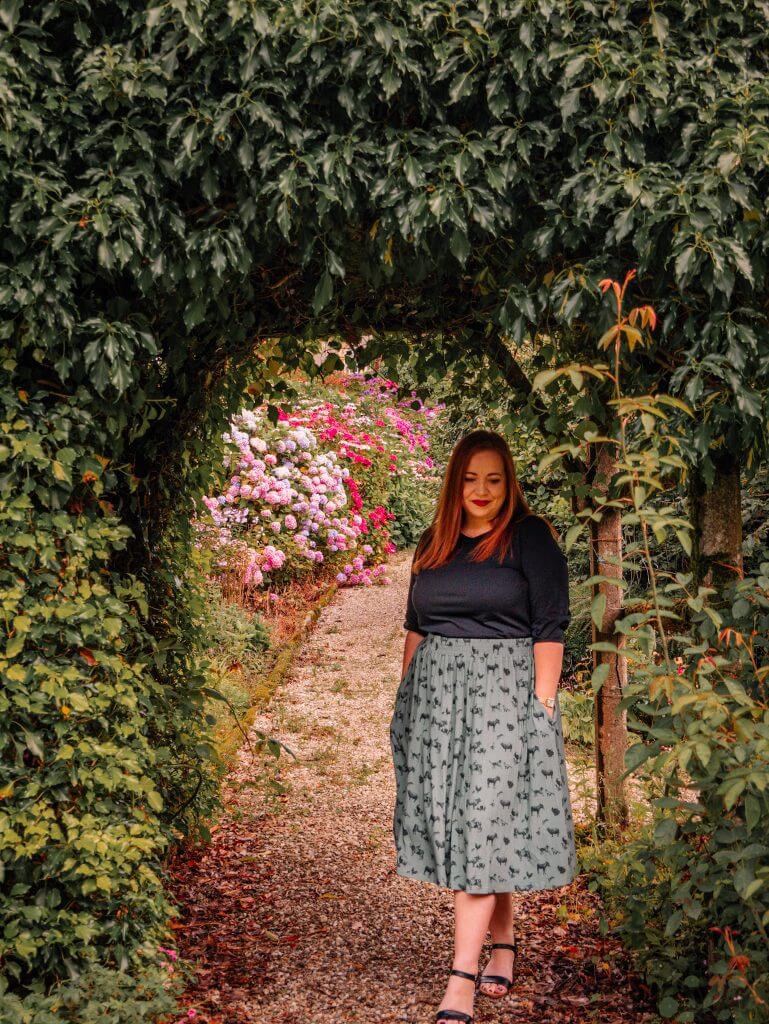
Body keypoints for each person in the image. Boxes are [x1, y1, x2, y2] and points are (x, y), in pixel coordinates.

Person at [389, 429, 576, 1024]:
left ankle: (460, 979)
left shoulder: (530, 537)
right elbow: (416, 624)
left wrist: (541, 708)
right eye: (471, 478)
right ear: (455, 483)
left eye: (494, 479)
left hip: (505, 701)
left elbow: (551, 627)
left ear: (509, 483)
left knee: (481, 823)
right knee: (475, 824)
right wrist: (407, 700)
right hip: (437, 703)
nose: (482, 490)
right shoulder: (434, 542)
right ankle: (503, 945)